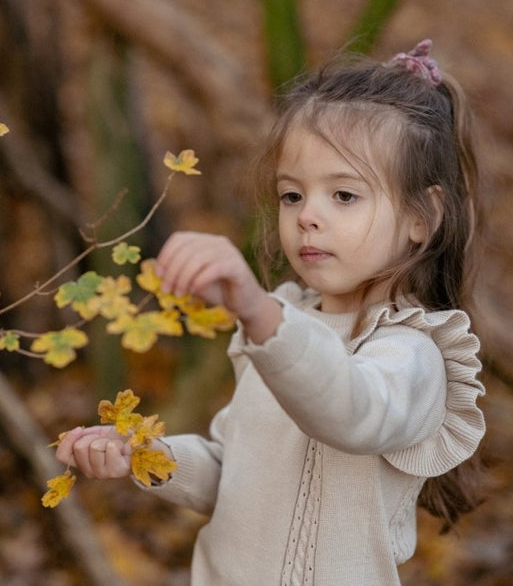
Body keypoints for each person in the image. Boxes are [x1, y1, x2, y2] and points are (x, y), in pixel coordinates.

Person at [56, 39, 486, 584]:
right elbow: (232, 475)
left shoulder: (413, 355)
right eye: (292, 196)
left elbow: (350, 411)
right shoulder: (279, 327)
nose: (307, 217)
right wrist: (144, 453)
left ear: (422, 217)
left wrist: (259, 313)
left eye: (344, 196)